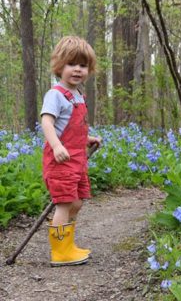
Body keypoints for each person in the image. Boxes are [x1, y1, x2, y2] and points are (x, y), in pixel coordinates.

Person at [41, 36, 101, 266]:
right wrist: (56, 146)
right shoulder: (55, 95)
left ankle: (67, 244)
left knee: (76, 202)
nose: (77, 69)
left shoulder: (78, 96)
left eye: (83, 65)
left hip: (77, 158)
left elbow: (72, 129)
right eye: (71, 64)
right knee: (65, 203)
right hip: (60, 159)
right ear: (59, 66)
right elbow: (48, 123)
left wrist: (87, 139)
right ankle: (60, 252)